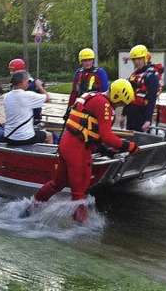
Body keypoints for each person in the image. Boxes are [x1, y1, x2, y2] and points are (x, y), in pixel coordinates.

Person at [24, 79, 141, 224]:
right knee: (80, 193)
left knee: (58, 183)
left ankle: (30, 209)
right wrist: (128, 146)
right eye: (121, 103)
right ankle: (82, 231)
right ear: (117, 96)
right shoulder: (104, 105)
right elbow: (107, 136)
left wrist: (105, 150)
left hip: (67, 143)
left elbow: (91, 131)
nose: (119, 106)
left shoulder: (93, 96)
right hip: (78, 150)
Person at [3, 70, 53, 145]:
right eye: (27, 82)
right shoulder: (28, 95)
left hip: (9, 136)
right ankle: (48, 156)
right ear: (23, 82)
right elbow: (47, 98)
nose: (28, 84)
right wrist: (39, 86)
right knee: (49, 136)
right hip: (24, 137)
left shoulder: (6, 97)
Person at [119, 44, 160, 132]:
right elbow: (128, 97)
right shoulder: (133, 75)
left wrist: (148, 120)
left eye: (139, 59)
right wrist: (123, 115)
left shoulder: (151, 76)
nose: (136, 62)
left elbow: (151, 99)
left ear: (145, 58)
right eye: (134, 59)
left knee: (142, 140)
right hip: (131, 113)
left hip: (143, 114)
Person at [8, 58, 47, 124]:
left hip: (33, 118)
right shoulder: (12, 86)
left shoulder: (33, 83)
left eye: (13, 71)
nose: (11, 73)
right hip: (22, 119)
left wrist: (39, 87)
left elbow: (46, 98)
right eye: (10, 70)